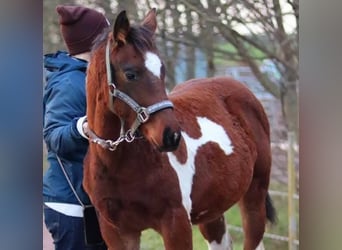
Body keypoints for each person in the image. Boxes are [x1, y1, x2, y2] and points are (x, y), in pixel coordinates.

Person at [43, 5, 110, 250]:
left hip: (93, 201)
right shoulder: (70, 83)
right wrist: (81, 126)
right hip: (71, 205)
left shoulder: (92, 76)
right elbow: (53, 136)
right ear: (95, 42)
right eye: (107, 36)